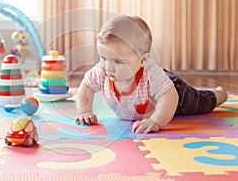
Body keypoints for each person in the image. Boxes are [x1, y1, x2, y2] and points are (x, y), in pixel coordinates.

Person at [75, 14, 228, 134]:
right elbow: (86, 85)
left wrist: (155, 121)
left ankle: (219, 94)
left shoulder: (150, 74)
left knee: (201, 102)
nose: (108, 67)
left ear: (143, 60)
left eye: (119, 62)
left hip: (175, 94)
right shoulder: (101, 70)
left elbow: (170, 96)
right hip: (149, 104)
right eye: (103, 58)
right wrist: (85, 111)